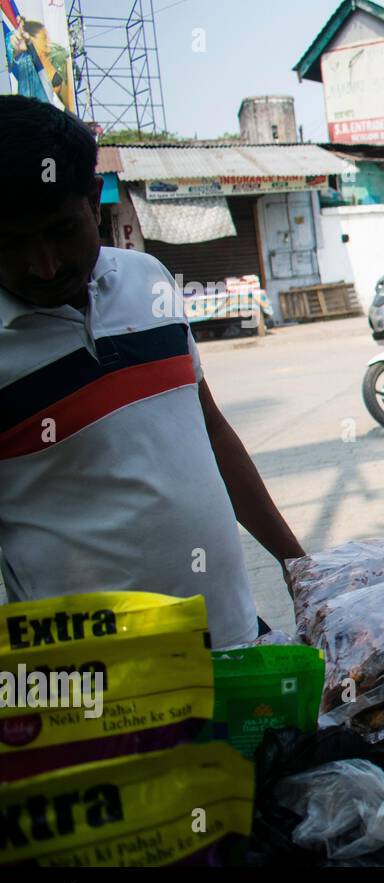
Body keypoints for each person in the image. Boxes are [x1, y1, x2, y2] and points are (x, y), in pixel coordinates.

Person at [0, 97, 303, 648]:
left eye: (60, 231)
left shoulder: (150, 280)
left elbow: (209, 431)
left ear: (94, 202)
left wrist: (300, 567)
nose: (42, 265)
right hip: (95, 688)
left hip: (229, 637)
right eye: (10, 243)